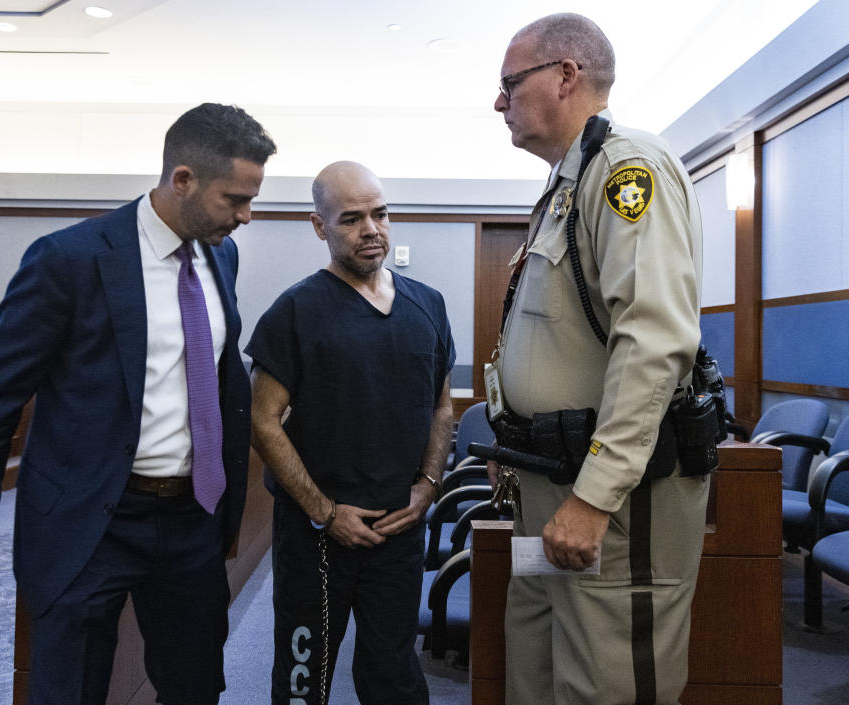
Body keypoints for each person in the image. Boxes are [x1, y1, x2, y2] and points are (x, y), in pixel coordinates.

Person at [0, 103, 276, 705]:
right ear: (182, 180)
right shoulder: (68, 260)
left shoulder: (219, 255)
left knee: (196, 687)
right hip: (88, 523)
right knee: (71, 690)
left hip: (188, 523)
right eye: (235, 199)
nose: (247, 216)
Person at [487, 13, 709, 705]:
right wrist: (512, 440)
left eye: (508, 84)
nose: (499, 103)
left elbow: (652, 340)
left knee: (608, 680)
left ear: (565, 76)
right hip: (548, 479)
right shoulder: (565, 185)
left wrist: (592, 496)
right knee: (537, 670)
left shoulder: (623, 168)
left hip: (608, 494)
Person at [247, 161, 455, 705]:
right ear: (319, 227)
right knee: (304, 679)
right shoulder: (294, 312)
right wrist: (324, 510)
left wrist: (429, 485)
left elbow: (440, 406)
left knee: (393, 676)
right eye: (351, 219)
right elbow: (262, 421)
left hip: (398, 529)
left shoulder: (427, 305)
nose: (371, 229)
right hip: (317, 535)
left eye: (380, 213)